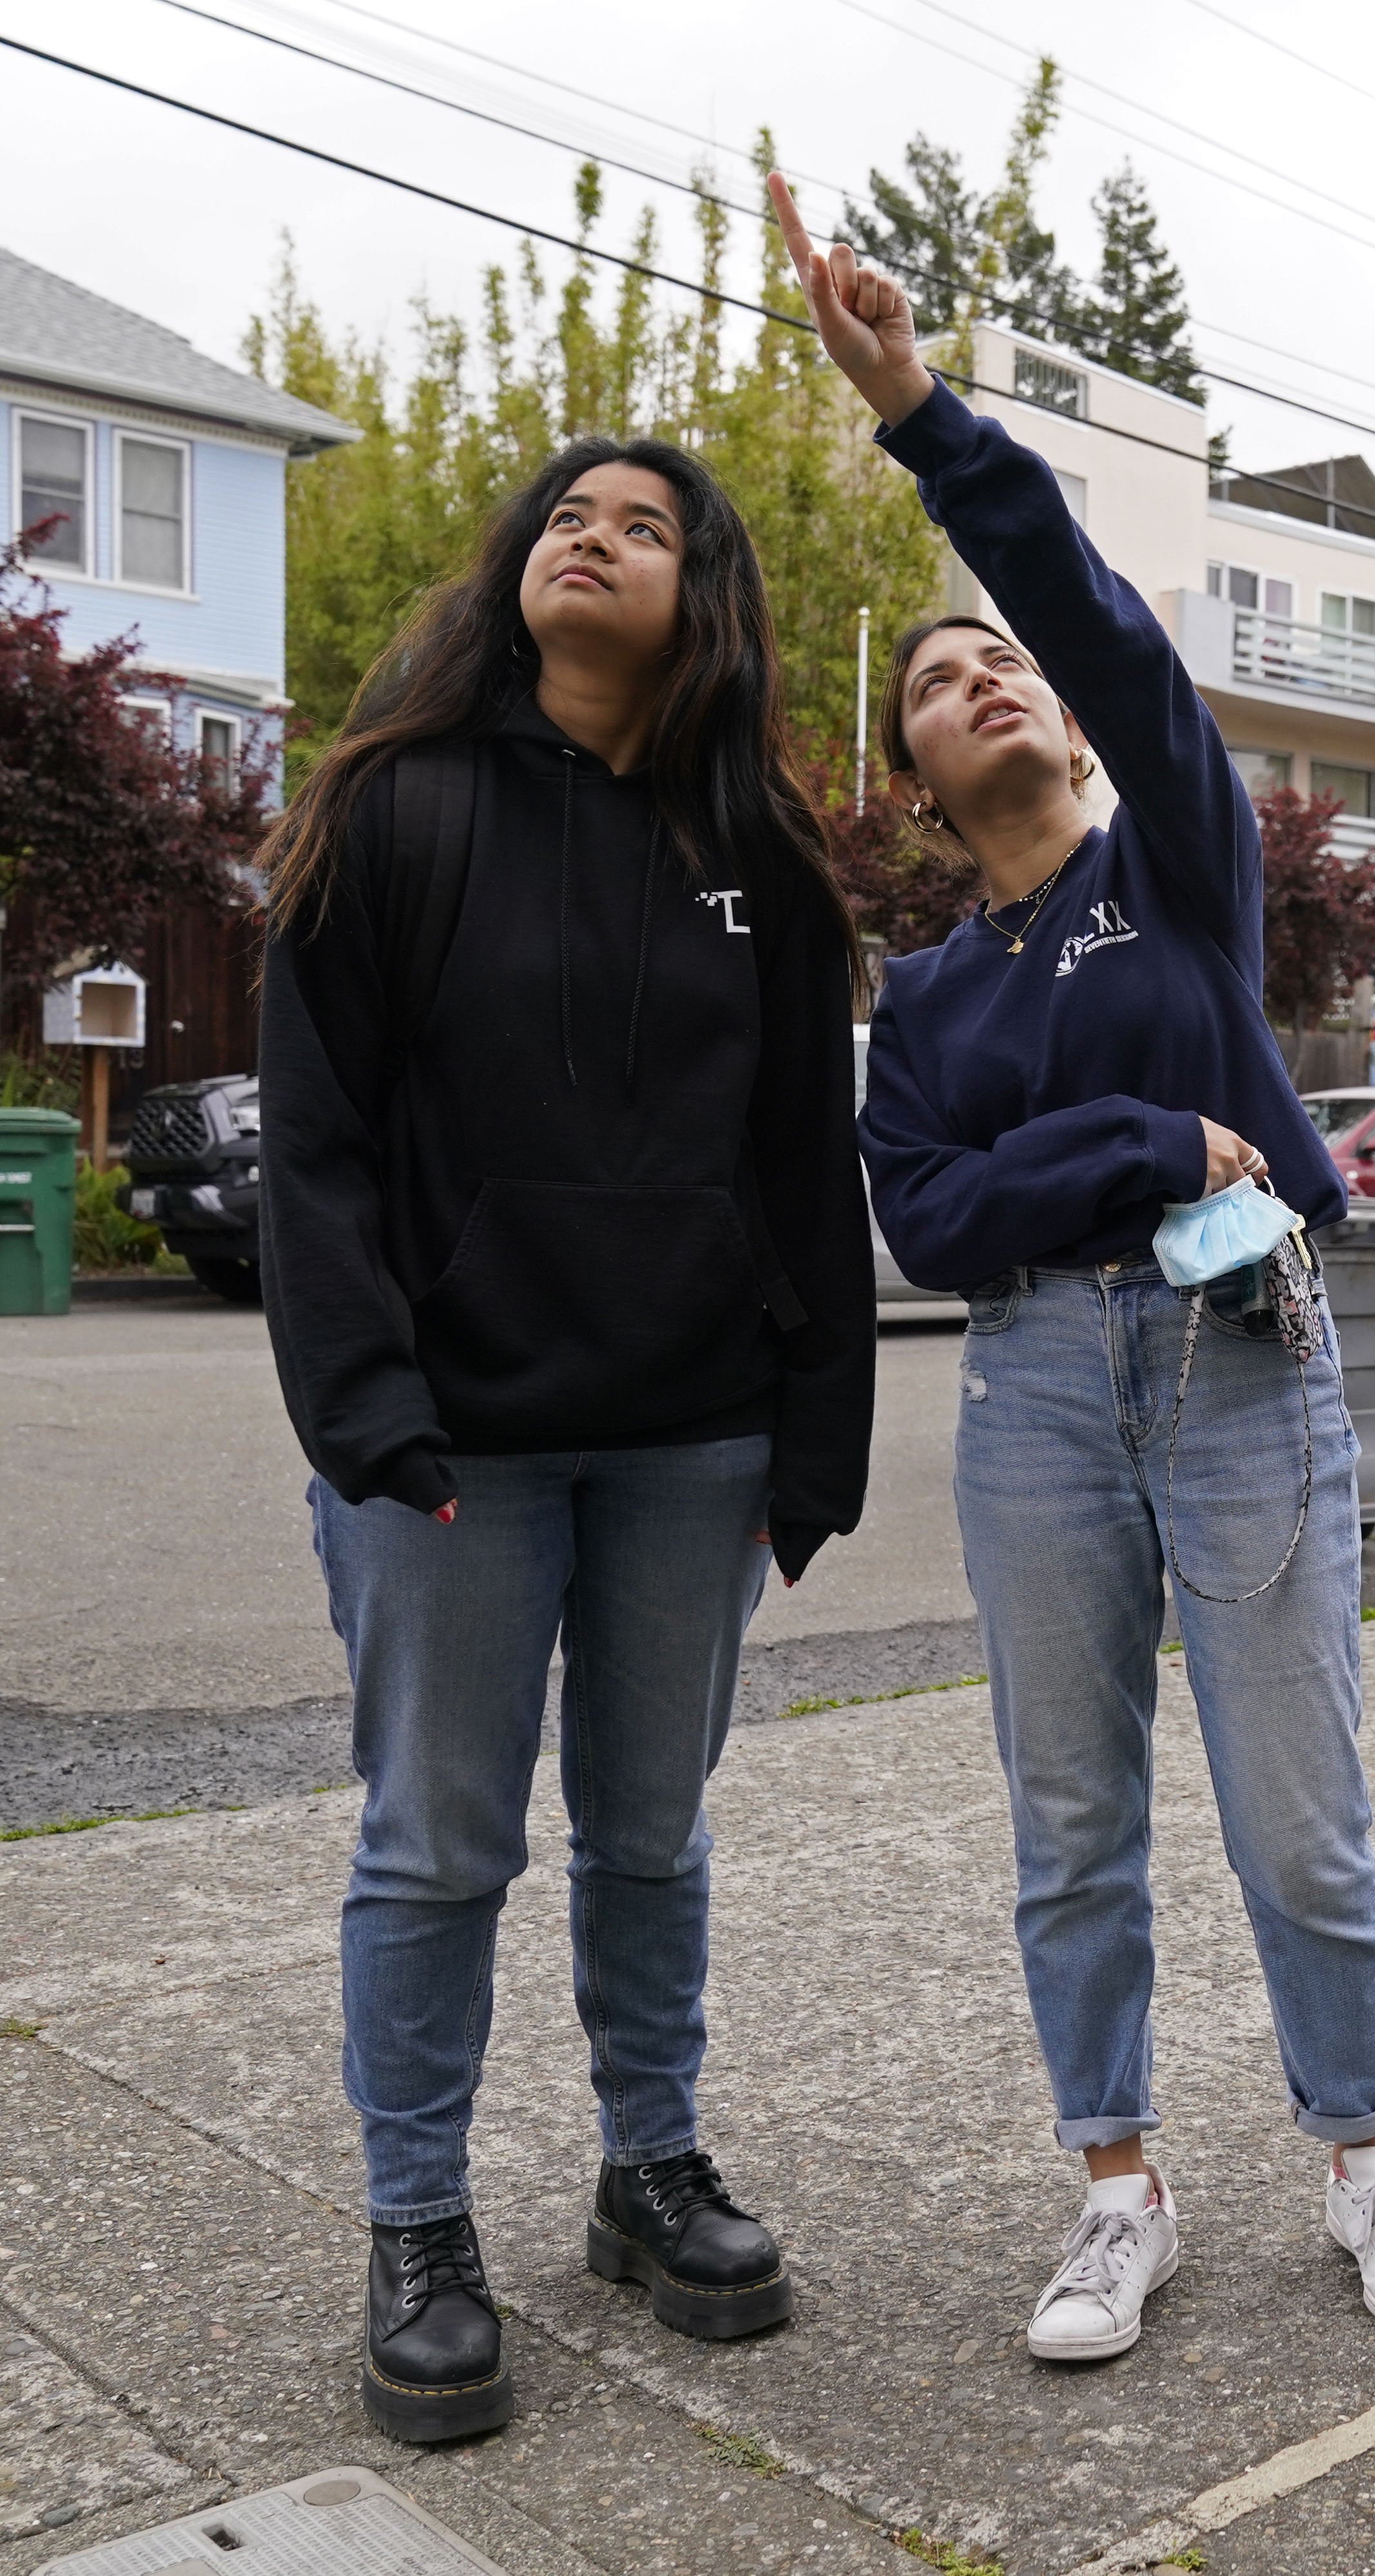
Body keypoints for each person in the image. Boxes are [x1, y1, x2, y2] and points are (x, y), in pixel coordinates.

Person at [770, 173, 1375, 2362]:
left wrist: (921, 413)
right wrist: (1142, 1137)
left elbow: (1097, 610)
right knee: (1072, 1816)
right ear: (914, 775)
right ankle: (1114, 2188)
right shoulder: (929, 993)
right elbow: (930, 1217)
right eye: (934, 680)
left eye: (1002, 660)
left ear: (1070, 724)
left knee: (1301, 1807)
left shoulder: (1174, 861)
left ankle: (1364, 2156)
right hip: (1037, 1399)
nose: (976, 674)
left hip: (1240, 1361)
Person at [257, 431, 876, 2443]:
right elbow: (322, 1145)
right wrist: (364, 1410)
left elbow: (801, 1165)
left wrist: (813, 1444)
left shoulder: (759, 864)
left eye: (649, 527)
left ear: (705, 600)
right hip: (451, 1445)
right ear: (523, 565)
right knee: (437, 1846)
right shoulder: (398, 806)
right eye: (572, 517)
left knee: (652, 1831)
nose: (598, 540)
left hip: (690, 1441)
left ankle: (649, 2167)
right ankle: (418, 2225)